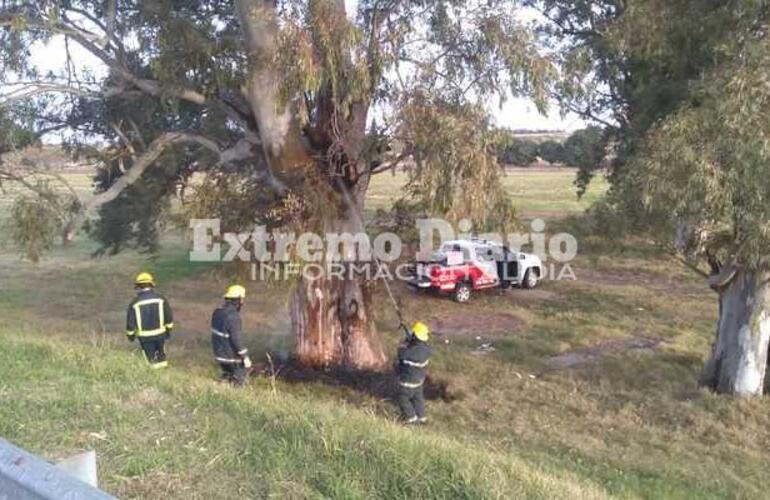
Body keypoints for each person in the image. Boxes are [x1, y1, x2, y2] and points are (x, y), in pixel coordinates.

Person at [126, 272, 174, 369]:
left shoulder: (135, 303)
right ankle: (164, 373)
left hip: (145, 338)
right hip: (160, 335)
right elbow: (168, 317)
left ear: (138, 286)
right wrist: (168, 331)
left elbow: (130, 323)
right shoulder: (161, 299)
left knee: (151, 361)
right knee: (162, 358)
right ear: (151, 284)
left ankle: (155, 375)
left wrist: (131, 336)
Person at [211, 285, 252, 386]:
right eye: (242, 299)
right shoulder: (233, 317)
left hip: (219, 356)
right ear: (238, 299)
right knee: (240, 381)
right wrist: (245, 357)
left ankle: (221, 387)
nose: (242, 302)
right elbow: (236, 339)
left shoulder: (217, 312)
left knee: (227, 376)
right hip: (231, 358)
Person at [395, 321, 432, 424]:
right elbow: (418, 349)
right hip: (419, 381)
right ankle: (422, 417)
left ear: (415, 336)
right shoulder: (427, 350)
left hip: (408, 382)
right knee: (418, 399)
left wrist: (406, 343)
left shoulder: (409, 353)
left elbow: (401, 353)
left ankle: (411, 418)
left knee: (403, 398)